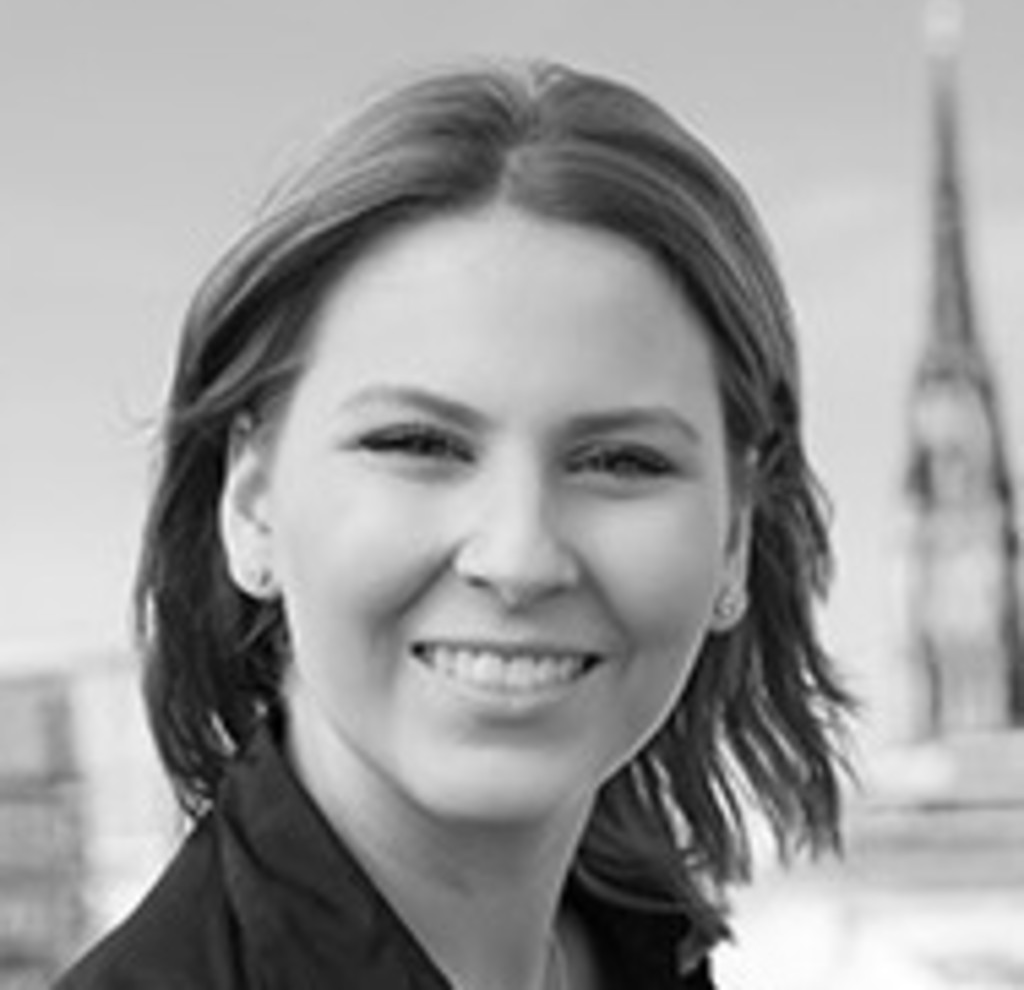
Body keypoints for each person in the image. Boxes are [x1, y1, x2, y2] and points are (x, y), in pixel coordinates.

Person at [57, 58, 853, 990]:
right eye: (417, 444)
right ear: (252, 501)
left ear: (735, 536)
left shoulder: (643, 951)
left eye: (621, 461)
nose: (519, 557)